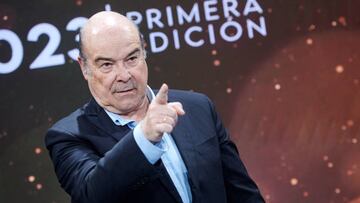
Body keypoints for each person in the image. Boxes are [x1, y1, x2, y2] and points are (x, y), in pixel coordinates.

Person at [45, 11, 264, 203]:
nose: (124, 75)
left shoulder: (197, 107)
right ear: (84, 68)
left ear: (144, 53)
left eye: (132, 58)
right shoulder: (68, 136)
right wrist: (144, 137)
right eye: (106, 65)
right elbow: (91, 194)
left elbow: (242, 193)